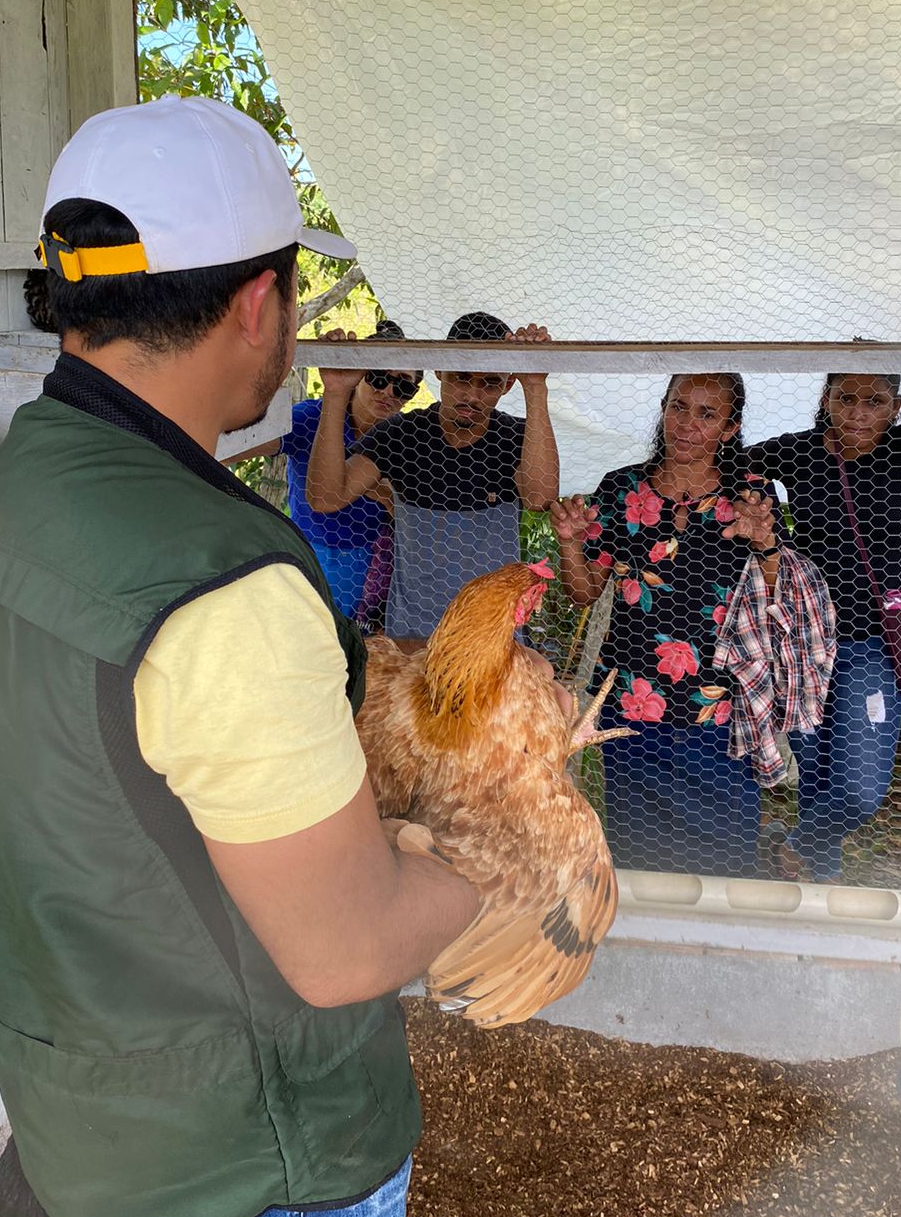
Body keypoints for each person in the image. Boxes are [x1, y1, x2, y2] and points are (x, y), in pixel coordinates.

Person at [0, 95, 478, 1217]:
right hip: (259, 1158)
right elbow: (344, 952)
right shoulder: (219, 580)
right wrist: (511, 854)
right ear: (259, 302)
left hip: (108, 1099)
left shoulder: (22, 483)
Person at [749, 285, 901, 883]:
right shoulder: (798, 453)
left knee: (859, 792)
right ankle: (814, 885)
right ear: (827, 398)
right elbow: (728, 469)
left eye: (874, 400)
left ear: (895, 405)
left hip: (872, 648)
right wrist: (767, 527)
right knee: (819, 776)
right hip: (803, 641)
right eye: (846, 397)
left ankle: (798, 843)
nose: (858, 411)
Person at [549, 374, 782, 876]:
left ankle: (717, 949)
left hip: (718, 704)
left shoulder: (751, 496)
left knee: (725, 859)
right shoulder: (621, 488)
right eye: (680, 407)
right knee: (640, 856)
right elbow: (584, 592)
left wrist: (764, 543)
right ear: (663, 407)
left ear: (729, 427)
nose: (688, 424)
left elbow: (775, 596)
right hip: (633, 699)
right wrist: (570, 541)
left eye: (706, 414)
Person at [307, 311, 560, 642]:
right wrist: (337, 391)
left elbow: (540, 498)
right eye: (461, 377)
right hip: (413, 640)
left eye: (490, 383)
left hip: (491, 642)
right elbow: (325, 497)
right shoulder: (400, 435)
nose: (472, 395)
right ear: (439, 368)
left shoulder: (517, 438)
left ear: (508, 383)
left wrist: (536, 385)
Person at [274, 320, 420, 622]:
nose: (389, 391)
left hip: (368, 563)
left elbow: (415, 518)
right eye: (379, 377)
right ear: (359, 374)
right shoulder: (311, 417)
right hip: (305, 551)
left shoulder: (408, 439)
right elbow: (238, 443)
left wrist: (386, 496)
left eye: (403, 385)